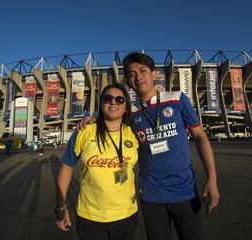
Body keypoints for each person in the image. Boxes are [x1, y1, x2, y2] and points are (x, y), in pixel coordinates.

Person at [78, 52, 220, 240]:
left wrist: (212, 178)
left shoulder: (177, 99)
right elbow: (111, 115)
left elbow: (200, 136)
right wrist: (93, 117)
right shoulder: (131, 113)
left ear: (154, 74)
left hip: (185, 191)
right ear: (128, 82)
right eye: (131, 74)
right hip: (151, 196)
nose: (137, 77)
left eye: (142, 71)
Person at [55, 84, 139, 240]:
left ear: (126, 107)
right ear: (101, 104)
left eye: (120, 99)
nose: (113, 102)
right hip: (90, 217)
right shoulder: (84, 131)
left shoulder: (134, 133)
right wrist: (60, 207)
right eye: (108, 98)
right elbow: (66, 168)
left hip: (126, 214)